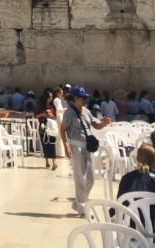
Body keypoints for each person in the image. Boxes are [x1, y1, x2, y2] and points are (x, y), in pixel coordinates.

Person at [60, 85, 111, 215]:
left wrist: (104, 123)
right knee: (80, 177)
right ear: (75, 98)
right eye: (82, 98)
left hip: (87, 146)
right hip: (75, 146)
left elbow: (95, 125)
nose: (84, 100)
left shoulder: (86, 111)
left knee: (90, 179)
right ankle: (82, 208)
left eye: (85, 98)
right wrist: (66, 146)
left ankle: (78, 202)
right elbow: (62, 129)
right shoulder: (69, 112)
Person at [35, 89, 59, 171]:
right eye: (50, 97)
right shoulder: (40, 106)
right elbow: (36, 116)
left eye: (52, 97)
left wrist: (51, 115)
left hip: (51, 126)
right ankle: (47, 162)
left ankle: (54, 163)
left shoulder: (52, 106)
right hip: (43, 126)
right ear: (46, 98)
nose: (51, 98)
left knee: (52, 143)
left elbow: (55, 117)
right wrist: (43, 114)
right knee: (45, 143)